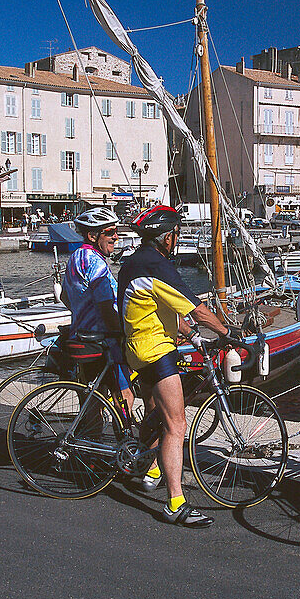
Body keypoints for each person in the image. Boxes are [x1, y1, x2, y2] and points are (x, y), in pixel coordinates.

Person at [118, 205, 234, 528]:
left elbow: (155, 306)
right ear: (166, 237)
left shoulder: (134, 262)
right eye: (176, 234)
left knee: (158, 413)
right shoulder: (157, 265)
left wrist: (191, 334)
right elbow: (197, 309)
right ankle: (176, 502)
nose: (177, 238)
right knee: (177, 424)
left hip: (138, 348)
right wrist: (228, 332)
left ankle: (147, 463)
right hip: (156, 350)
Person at [61, 206, 133, 411]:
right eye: (110, 232)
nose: (116, 237)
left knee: (93, 399)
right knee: (125, 395)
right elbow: (105, 305)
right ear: (92, 235)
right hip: (102, 342)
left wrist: (83, 313)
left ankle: (88, 440)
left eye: (116, 231)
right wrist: (121, 333)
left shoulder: (76, 257)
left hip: (80, 336)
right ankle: (124, 440)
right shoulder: (96, 263)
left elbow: (65, 296)